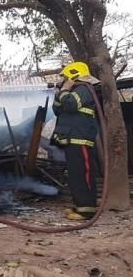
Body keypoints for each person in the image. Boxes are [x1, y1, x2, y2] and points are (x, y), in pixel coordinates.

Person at [51, 62, 101, 220]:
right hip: (71, 138)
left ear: (73, 76)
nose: (64, 80)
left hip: (81, 139)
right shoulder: (71, 92)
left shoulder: (84, 89)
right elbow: (57, 109)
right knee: (74, 175)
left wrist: (65, 90)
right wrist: (59, 92)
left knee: (83, 174)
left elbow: (71, 104)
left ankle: (87, 210)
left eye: (66, 77)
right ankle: (80, 205)